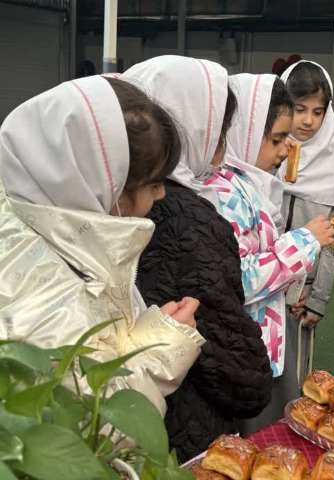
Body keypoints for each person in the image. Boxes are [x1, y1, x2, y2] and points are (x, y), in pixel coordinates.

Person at [0, 75, 204, 414]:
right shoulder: (42, 295)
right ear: (96, 182)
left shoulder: (37, 233)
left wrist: (146, 334)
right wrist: (165, 346)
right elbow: (104, 426)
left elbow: (96, 352)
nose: (162, 193)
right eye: (152, 182)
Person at [122, 56, 273, 462]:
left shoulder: (107, 200)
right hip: (182, 433)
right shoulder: (190, 217)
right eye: (221, 131)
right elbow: (238, 370)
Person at [203, 73, 334, 431]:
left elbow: (262, 252)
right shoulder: (222, 195)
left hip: (265, 341)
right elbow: (239, 279)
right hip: (244, 349)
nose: (286, 149)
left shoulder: (247, 184)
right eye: (277, 139)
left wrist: (291, 287)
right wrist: (305, 241)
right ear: (243, 133)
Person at [277, 61, 334, 336]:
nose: (308, 120)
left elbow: (332, 245)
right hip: (261, 286)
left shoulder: (332, 165)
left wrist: (317, 300)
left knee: (294, 374)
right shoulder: (266, 154)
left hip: (302, 296)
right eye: (299, 109)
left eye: (318, 112)